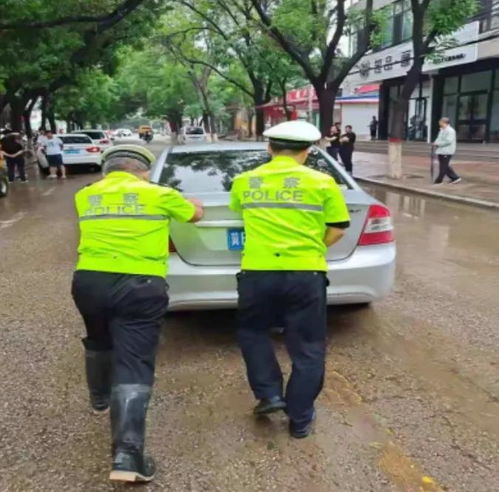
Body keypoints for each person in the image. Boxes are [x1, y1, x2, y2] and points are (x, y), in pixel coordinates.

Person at [71, 145, 204, 482]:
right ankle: (128, 455)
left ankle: (100, 397)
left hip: (90, 281)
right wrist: (195, 206)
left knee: (99, 338)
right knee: (133, 362)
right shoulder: (160, 194)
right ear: (144, 170)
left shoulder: (84, 195)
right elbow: (194, 215)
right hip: (140, 285)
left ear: (107, 169)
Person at [230, 120, 350, 439]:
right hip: (306, 273)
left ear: (269, 148)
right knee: (308, 345)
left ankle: (269, 394)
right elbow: (338, 228)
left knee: (253, 332)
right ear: (308, 151)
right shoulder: (324, 183)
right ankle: (299, 418)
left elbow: (238, 213)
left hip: (257, 272)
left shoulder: (244, 181)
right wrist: (309, 248)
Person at [433, 117, 461, 185]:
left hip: (447, 151)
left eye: (440, 122)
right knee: (444, 166)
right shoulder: (442, 130)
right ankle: (455, 178)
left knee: (443, 166)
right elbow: (439, 138)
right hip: (441, 150)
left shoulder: (450, 130)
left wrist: (438, 143)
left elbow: (448, 141)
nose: (439, 123)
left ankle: (439, 180)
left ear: (444, 122)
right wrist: (435, 143)